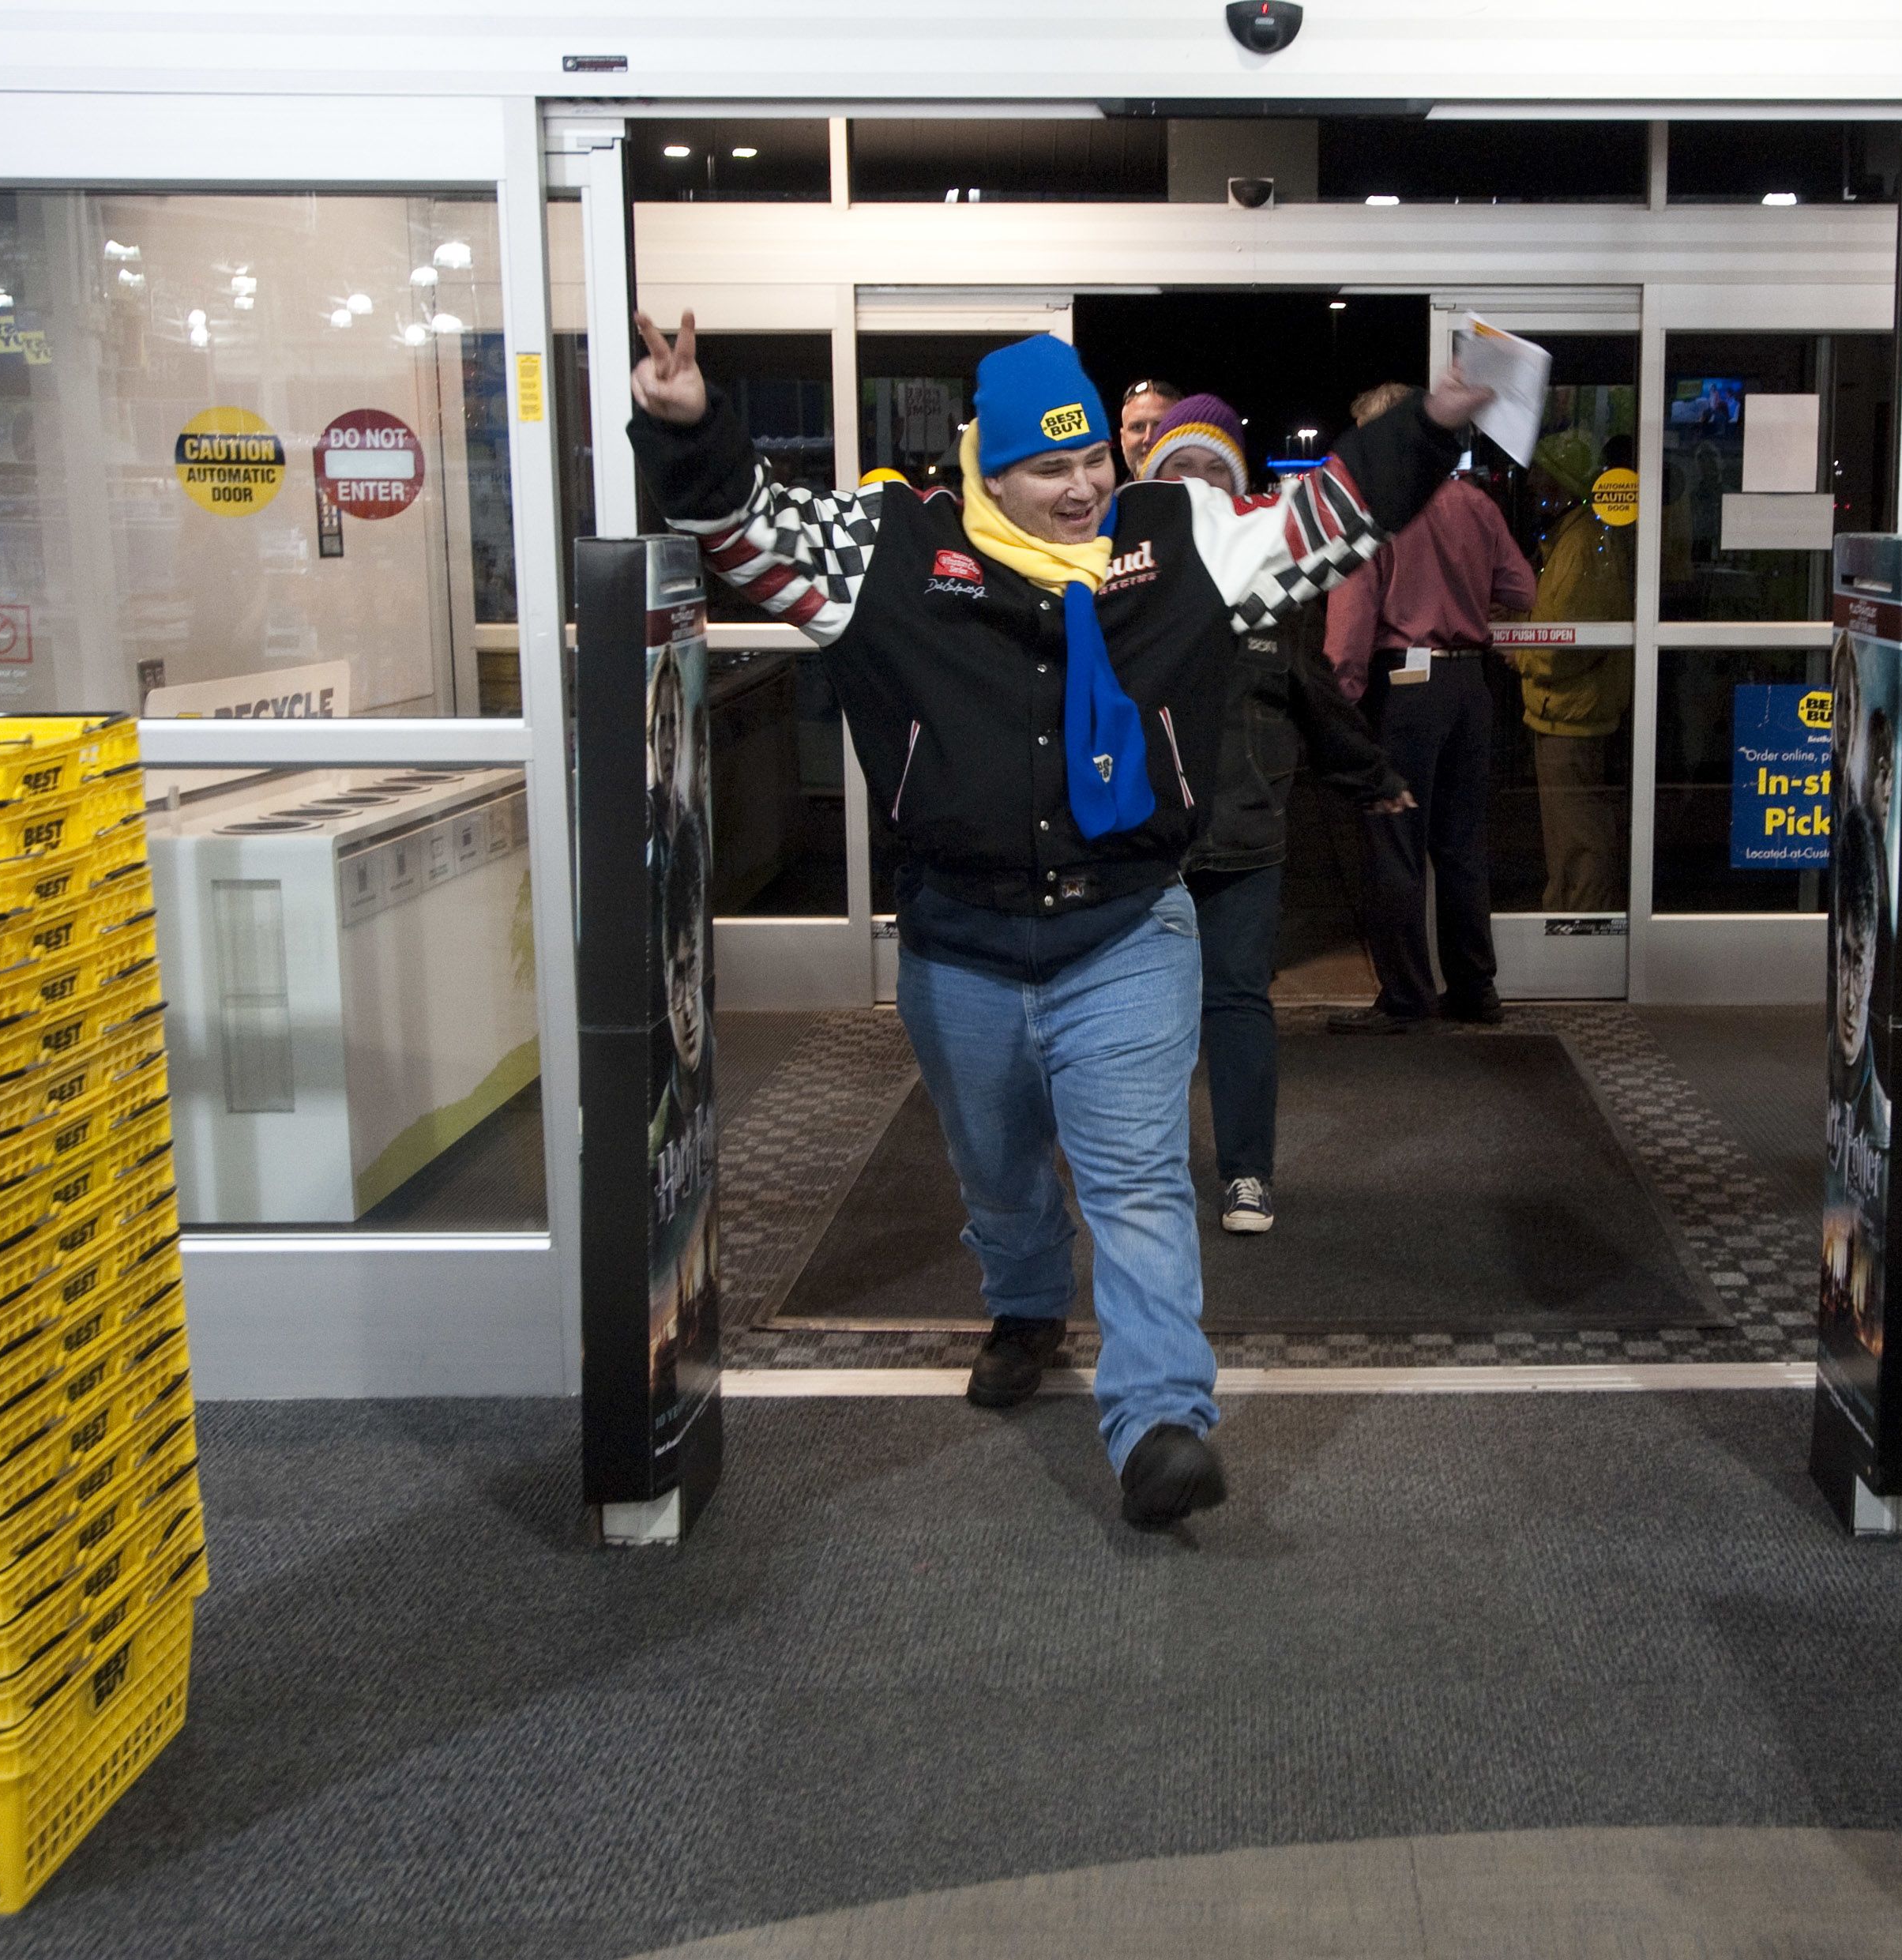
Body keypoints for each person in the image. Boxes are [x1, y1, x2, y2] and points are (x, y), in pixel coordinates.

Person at [628, 315, 1487, 1526]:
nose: (1083, 486)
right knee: (999, 1176)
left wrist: (1428, 429)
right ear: (986, 470)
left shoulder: (1174, 538)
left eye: (1092, 458)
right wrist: (687, 424)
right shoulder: (890, 551)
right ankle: (1026, 1307)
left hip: (1126, 930)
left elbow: (1326, 520)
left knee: (1135, 1179)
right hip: (958, 945)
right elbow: (740, 524)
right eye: (1049, 468)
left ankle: (1160, 1423)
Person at [1143, 393, 1416, 1236]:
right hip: (1140, 842)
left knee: (1234, 1002)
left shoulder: (1271, 588)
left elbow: (1312, 694)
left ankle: (1245, 1176)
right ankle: (1141, 1175)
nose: (1193, 486)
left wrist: (1370, 775)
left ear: (1238, 488)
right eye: (1174, 471)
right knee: (1137, 1013)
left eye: (1211, 470)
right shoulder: (1116, 581)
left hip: (1246, 830)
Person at [1323, 382, 1537, 1034]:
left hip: (1404, 689)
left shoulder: (1376, 511)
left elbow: (1352, 620)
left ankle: (1407, 996)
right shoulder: (1474, 504)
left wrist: (1339, 708)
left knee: (1394, 846)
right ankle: (1475, 989)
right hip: (1470, 689)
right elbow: (1521, 590)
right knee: (1462, 844)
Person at [1513, 434, 1638, 912]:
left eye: (1542, 473)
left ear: (1564, 484)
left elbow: (1564, 644)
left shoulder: (1581, 544)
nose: (1532, 484)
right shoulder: (1574, 538)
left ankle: (1582, 924)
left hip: (1572, 712)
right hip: (1564, 710)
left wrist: (1519, 650)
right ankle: (1566, 915)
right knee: (1568, 833)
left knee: (1579, 833)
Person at [1117, 378, 1182, 480]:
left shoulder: (1209, 496)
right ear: (1122, 439)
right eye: (1138, 427)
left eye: (1161, 427)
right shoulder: (1106, 496)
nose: (1148, 438)